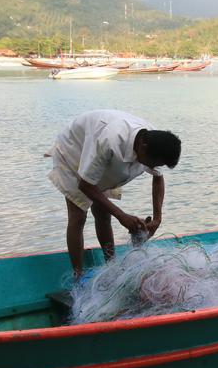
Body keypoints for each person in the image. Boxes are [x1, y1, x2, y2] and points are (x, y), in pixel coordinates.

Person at [48, 110, 181, 277]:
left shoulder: (156, 143)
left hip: (101, 156)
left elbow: (158, 177)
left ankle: (111, 267)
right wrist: (122, 216)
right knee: (78, 217)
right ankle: (78, 276)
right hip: (74, 149)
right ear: (143, 147)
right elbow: (85, 185)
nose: (153, 168)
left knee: (103, 214)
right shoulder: (110, 141)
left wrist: (157, 218)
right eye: (153, 164)